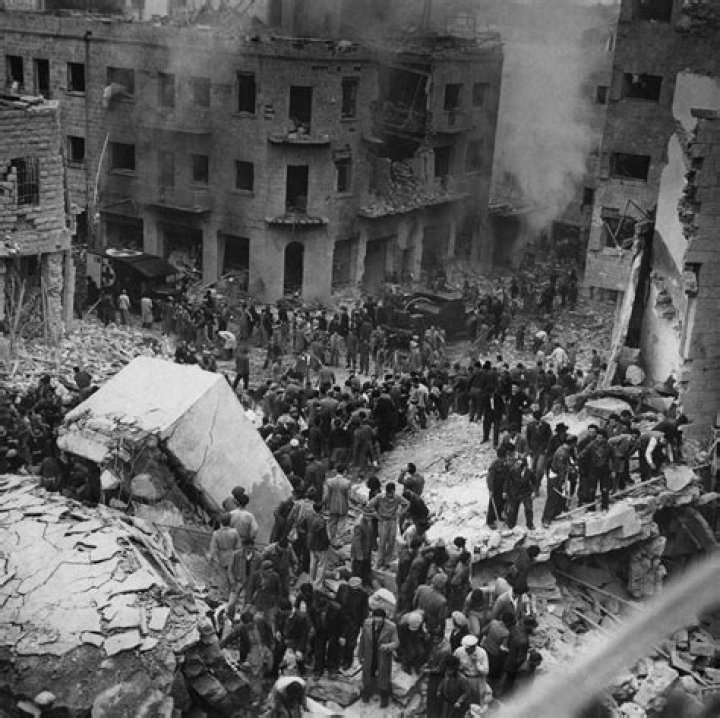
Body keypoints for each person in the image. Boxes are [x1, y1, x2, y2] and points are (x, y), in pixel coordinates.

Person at [358, 608, 399, 708]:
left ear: (384, 619)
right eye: (376, 619)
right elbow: (362, 639)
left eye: (380, 620)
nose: (377, 622)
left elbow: (396, 643)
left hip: (382, 655)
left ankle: (384, 696)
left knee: (383, 675)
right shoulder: (366, 623)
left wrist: (387, 646)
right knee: (367, 673)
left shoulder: (392, 627)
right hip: (369, 654)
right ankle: (367, 692)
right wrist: (360, 654)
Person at [367, 482, 408, 569]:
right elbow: (369, 505)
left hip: (393, 521)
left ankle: (387, 561)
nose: (391, 495)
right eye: (390, 493)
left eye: (392, 493)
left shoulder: (397, 497)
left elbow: (407, 504)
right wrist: (376, 515)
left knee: (391, 542)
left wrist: (400, 513)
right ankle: (380, 561)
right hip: (383, 521)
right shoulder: (380, 497)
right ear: (387, 492)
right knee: (382, 542)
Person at [336, 576, 369, 670]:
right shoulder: (343, 589)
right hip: (342, 619)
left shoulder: (363, 595)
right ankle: (338, 658)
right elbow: (337, 602)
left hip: (354, 622)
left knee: (350, 643)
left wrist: (362, 623)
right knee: (339, 640)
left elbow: (364, 610)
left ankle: (347, 661)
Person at [454, 634, 489, 705]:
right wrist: (460, 667)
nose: (466, 651)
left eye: (468, 649)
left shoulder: (482, 653)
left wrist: (476, 664)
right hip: (463, 677)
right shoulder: (459, 651)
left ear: (474, 647)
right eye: (466, 649)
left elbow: (486, 671)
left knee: (477, 700)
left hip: (477, 679)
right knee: (463, 698)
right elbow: (453, 663)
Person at [504, 456, 535, 530]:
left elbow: (534, 482)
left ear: (524, 467)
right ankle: (511, 524)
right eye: (516, 464)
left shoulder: (529, 472)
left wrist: (533, 491)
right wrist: (504, 491)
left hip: (526, 492)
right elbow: (507, 481)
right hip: (515, 492)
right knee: (513, 509)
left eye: (518, 465)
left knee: (528, 508)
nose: (516, 466)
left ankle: (530, 524)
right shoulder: (512, 471)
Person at [323, 468, 351, 546]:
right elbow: (348, 496)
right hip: (343, 505)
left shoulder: (329, 481)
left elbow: (326, 495)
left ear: (336, 471)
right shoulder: (347, 482)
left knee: (332, 522)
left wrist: (325, 504)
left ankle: (333, 539)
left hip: (332, 504)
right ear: (344, 472)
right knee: (342, 522)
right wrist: (349, 505)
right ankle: (340, 539)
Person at [306, 502, 330, 590]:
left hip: (311, 543)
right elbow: (324, 536)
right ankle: (318, 584)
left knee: (313, 563)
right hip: (320, 546)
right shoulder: (321, 521)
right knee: (321, 565)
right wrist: (328, 543)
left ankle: (311, 580)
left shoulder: (310, 517)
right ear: (322, 509)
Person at [351, 510, 374, 587]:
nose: (370, 518)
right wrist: (359, 556)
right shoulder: (359, 525)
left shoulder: (368, 522)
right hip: (359, 554)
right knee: (357, 573)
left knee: (366, 570)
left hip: (366, 551)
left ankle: (366, 585)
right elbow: (356, 541)